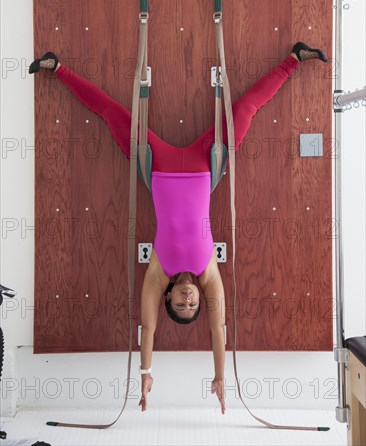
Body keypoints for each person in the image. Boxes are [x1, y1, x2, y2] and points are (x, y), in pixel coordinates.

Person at [29, 42, 328, 413]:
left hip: (157, 164)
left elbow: (149, 329)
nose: (188, 301)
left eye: (179, 305)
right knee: (246, 108)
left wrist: (146, 372)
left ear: (168, 297)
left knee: (110, 111)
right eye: (193, 305)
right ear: (199, 298)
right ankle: (295, 59)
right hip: (206, 162)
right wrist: (220, 377)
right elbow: (218, 331)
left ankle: (57, 67)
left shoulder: (159, 272)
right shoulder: (209, 273)